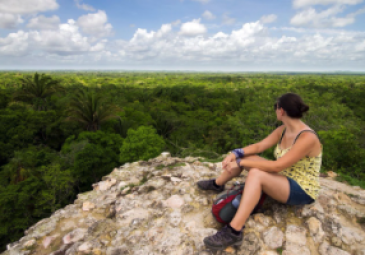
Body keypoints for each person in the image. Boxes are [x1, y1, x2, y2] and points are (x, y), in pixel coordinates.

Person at [197, 93, 322, 251]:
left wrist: (241, 162)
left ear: (281, 111)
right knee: (248, 155)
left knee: (256, 173)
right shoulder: (284, 129)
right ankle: (217, 184)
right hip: (285, 178)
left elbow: (277, 166)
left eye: (275, 107)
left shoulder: (307, 137)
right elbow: (259, 146)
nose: (275, 110)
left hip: (302, 189)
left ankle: (234, 231)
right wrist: (236, 154)